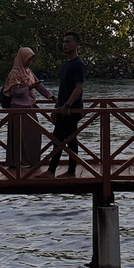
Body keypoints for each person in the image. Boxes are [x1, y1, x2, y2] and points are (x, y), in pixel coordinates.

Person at [38, 32, 85, 178]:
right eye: (63, 42)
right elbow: (62, 88)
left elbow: (79, 87)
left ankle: (57, 170)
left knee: (62, 138)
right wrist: (57, 107)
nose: (64, 44)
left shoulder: (78, 64)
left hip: (72, 109)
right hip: (63, 108)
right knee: (66, 139)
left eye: (68, 42)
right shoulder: (66, 64)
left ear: (76, 44)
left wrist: (68, 105)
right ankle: (65, 170)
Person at [3, 46, 53, 167]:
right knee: (20, 138)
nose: (29, 62)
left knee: (34, 134)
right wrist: (30, 87)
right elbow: (14, 91)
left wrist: (51, 97)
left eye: (31, 60)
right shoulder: (15, 73)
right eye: (28, 59)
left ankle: (31, 161)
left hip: (30, 107)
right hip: (18, 109)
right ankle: (18, 163)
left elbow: (39, 86)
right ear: (22, 58)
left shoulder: (29, 72)